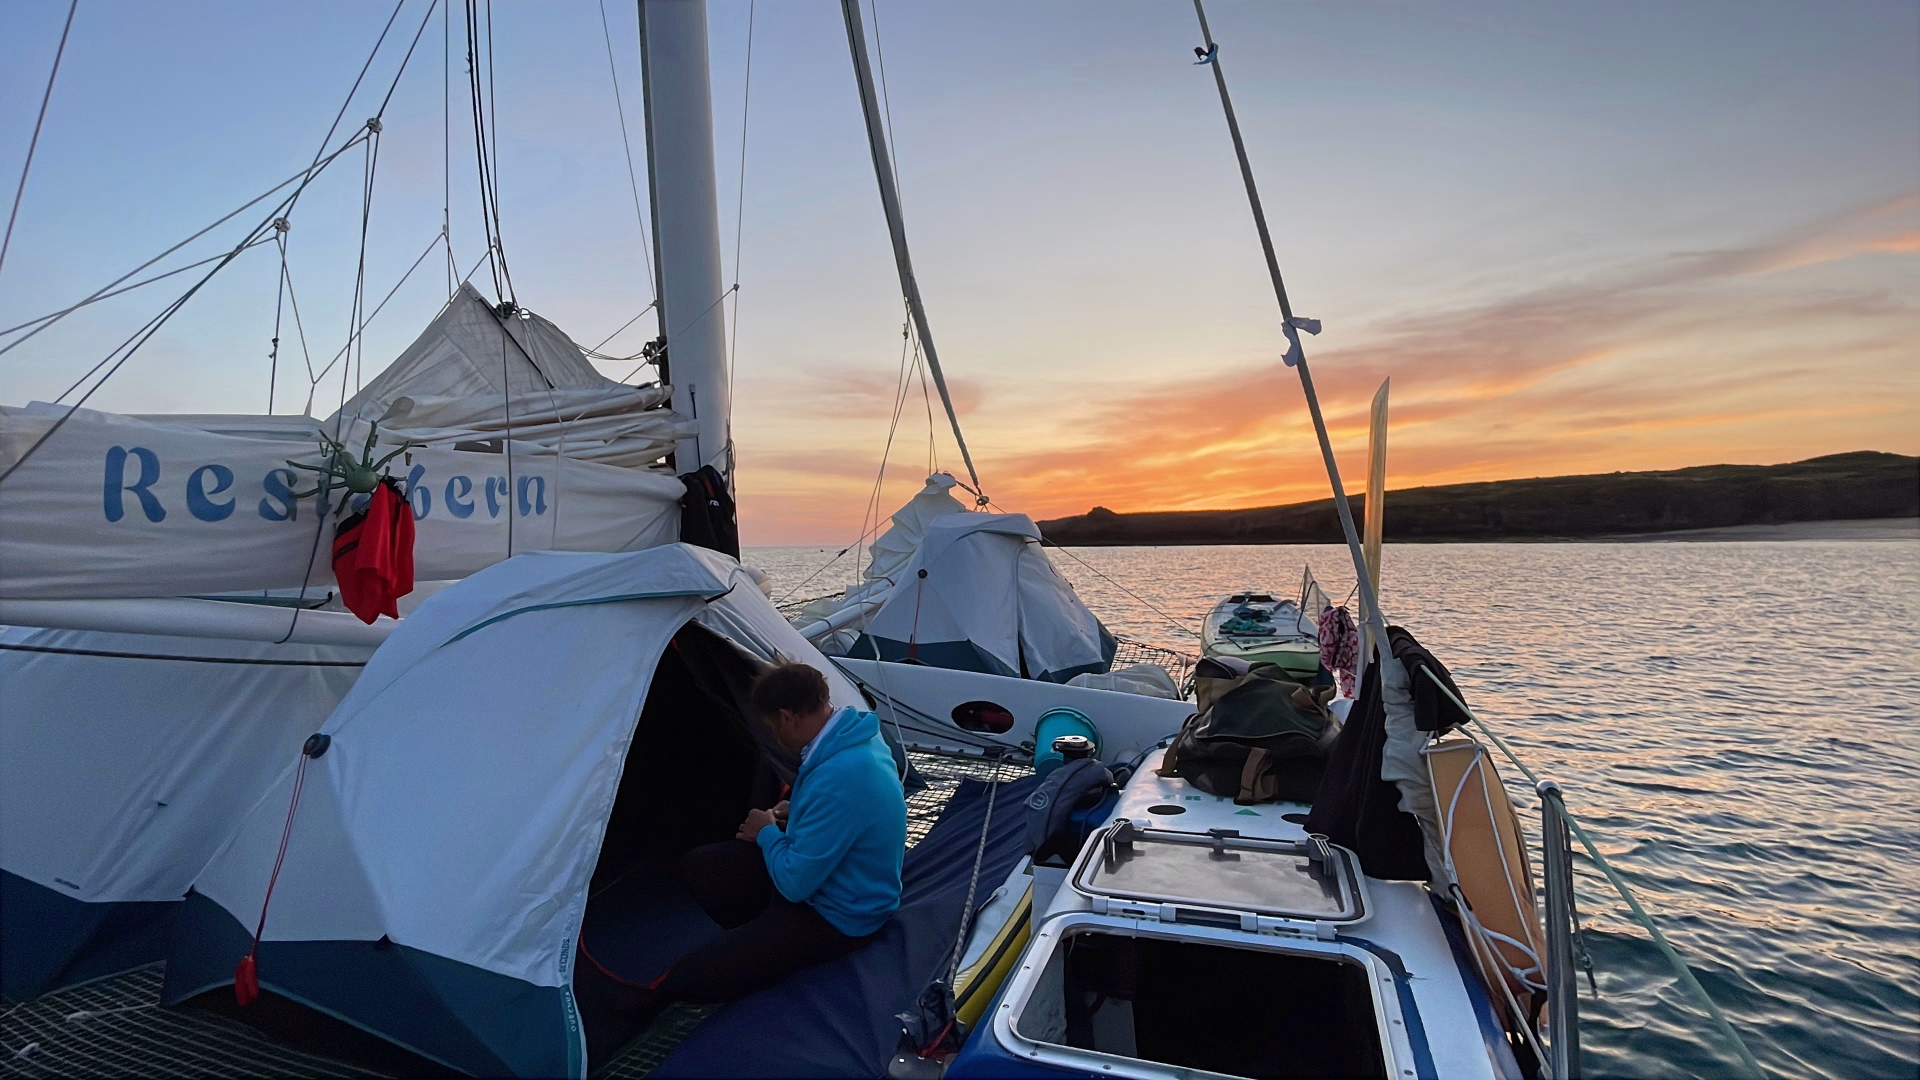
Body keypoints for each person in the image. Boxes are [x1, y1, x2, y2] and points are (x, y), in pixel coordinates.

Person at [614, 662, 907, 1030]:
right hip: (826, 880)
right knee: (701, 866)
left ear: (787, 718)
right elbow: (843, 817)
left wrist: (767, 831)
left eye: (771, 726)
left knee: (688, 980)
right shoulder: (853, 735)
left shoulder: (842, 776)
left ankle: (766, 956)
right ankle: (762, 940)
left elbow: (796, 885)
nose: (773, 735)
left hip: (839, 917)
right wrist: (795, 811)